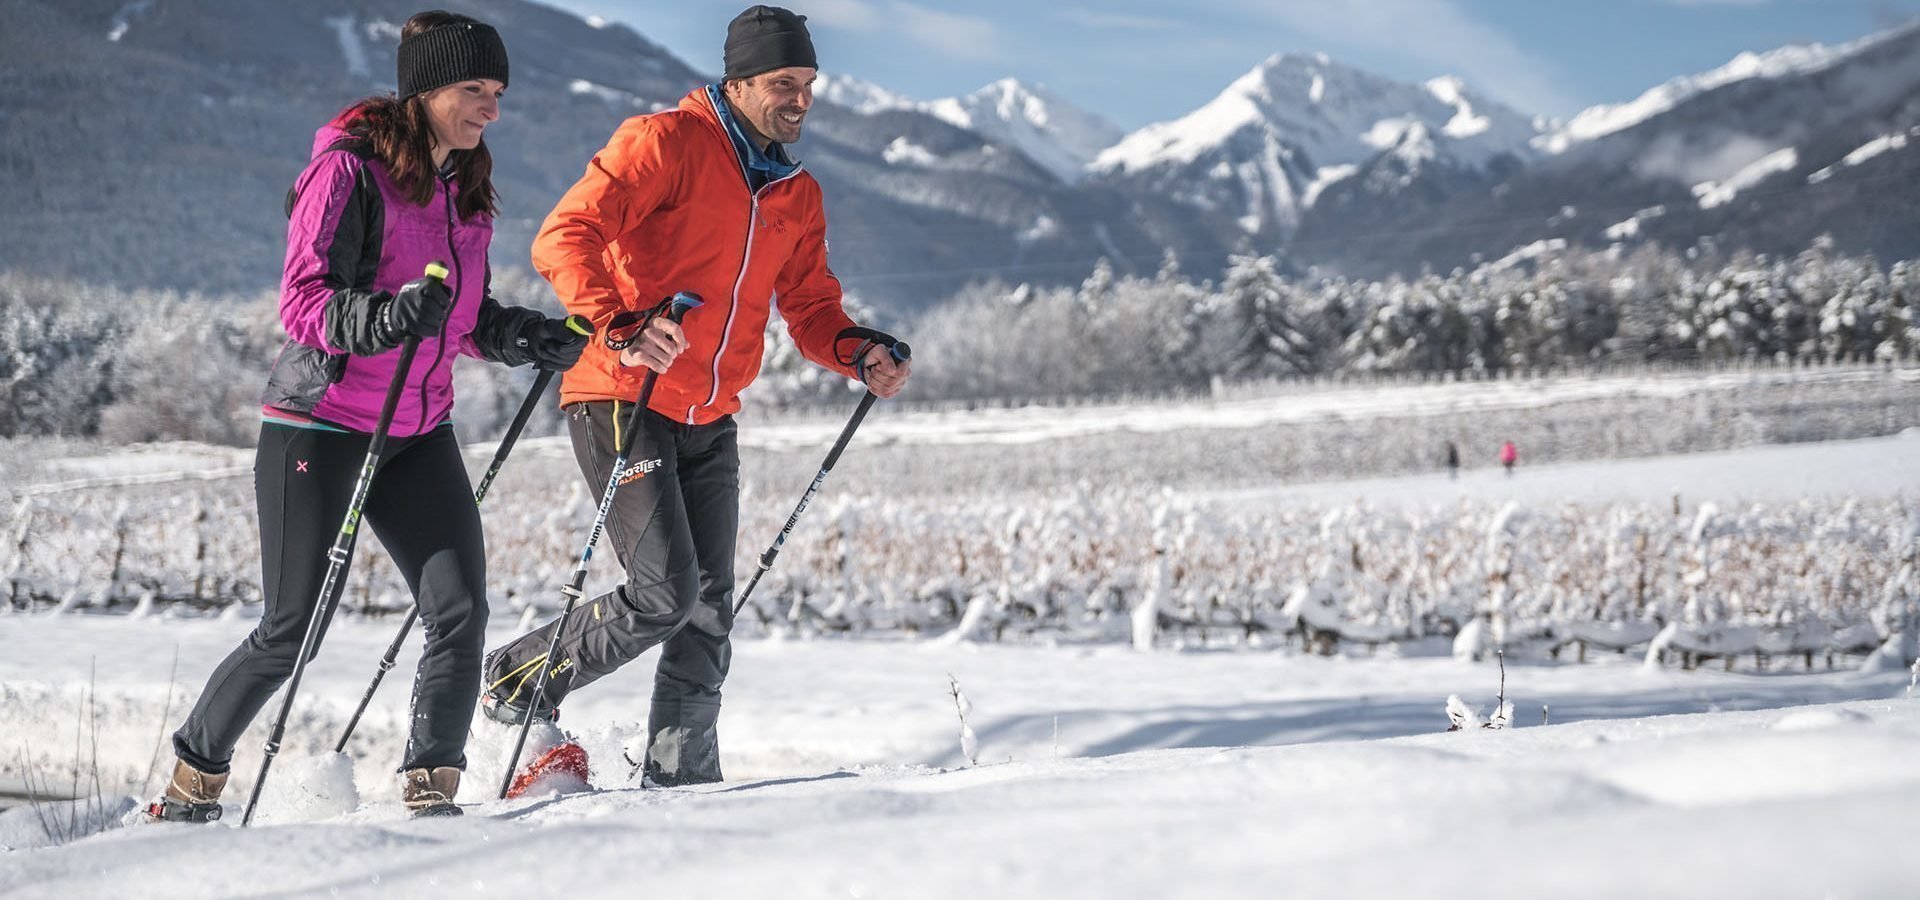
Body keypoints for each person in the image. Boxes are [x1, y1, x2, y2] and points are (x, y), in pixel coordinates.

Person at [149, 11, 588, 822]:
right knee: (294, 628)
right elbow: (306, 301)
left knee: (458, 609)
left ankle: (432, 794)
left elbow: (455, 316)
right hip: (321, 422)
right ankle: (190, 785)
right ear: (422, 89)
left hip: (416, 428)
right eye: (472, 89)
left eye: (497, 91)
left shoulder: (468, 186)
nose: (490, 106)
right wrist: (386, 317)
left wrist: (522, 335)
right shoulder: (349, 171)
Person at [480, 4, 910, 787]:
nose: (801, 98)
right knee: (662, 595)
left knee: (710, 608)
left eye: (810, 83)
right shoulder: (665, 144)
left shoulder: (796, 194)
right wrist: (616, 323)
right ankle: (512, 681)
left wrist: (859, 351)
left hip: (710, 417)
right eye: (785, 82)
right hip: (622, 397)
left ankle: (683, 782)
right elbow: (563, 235)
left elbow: (810, 309)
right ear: (739, 81)